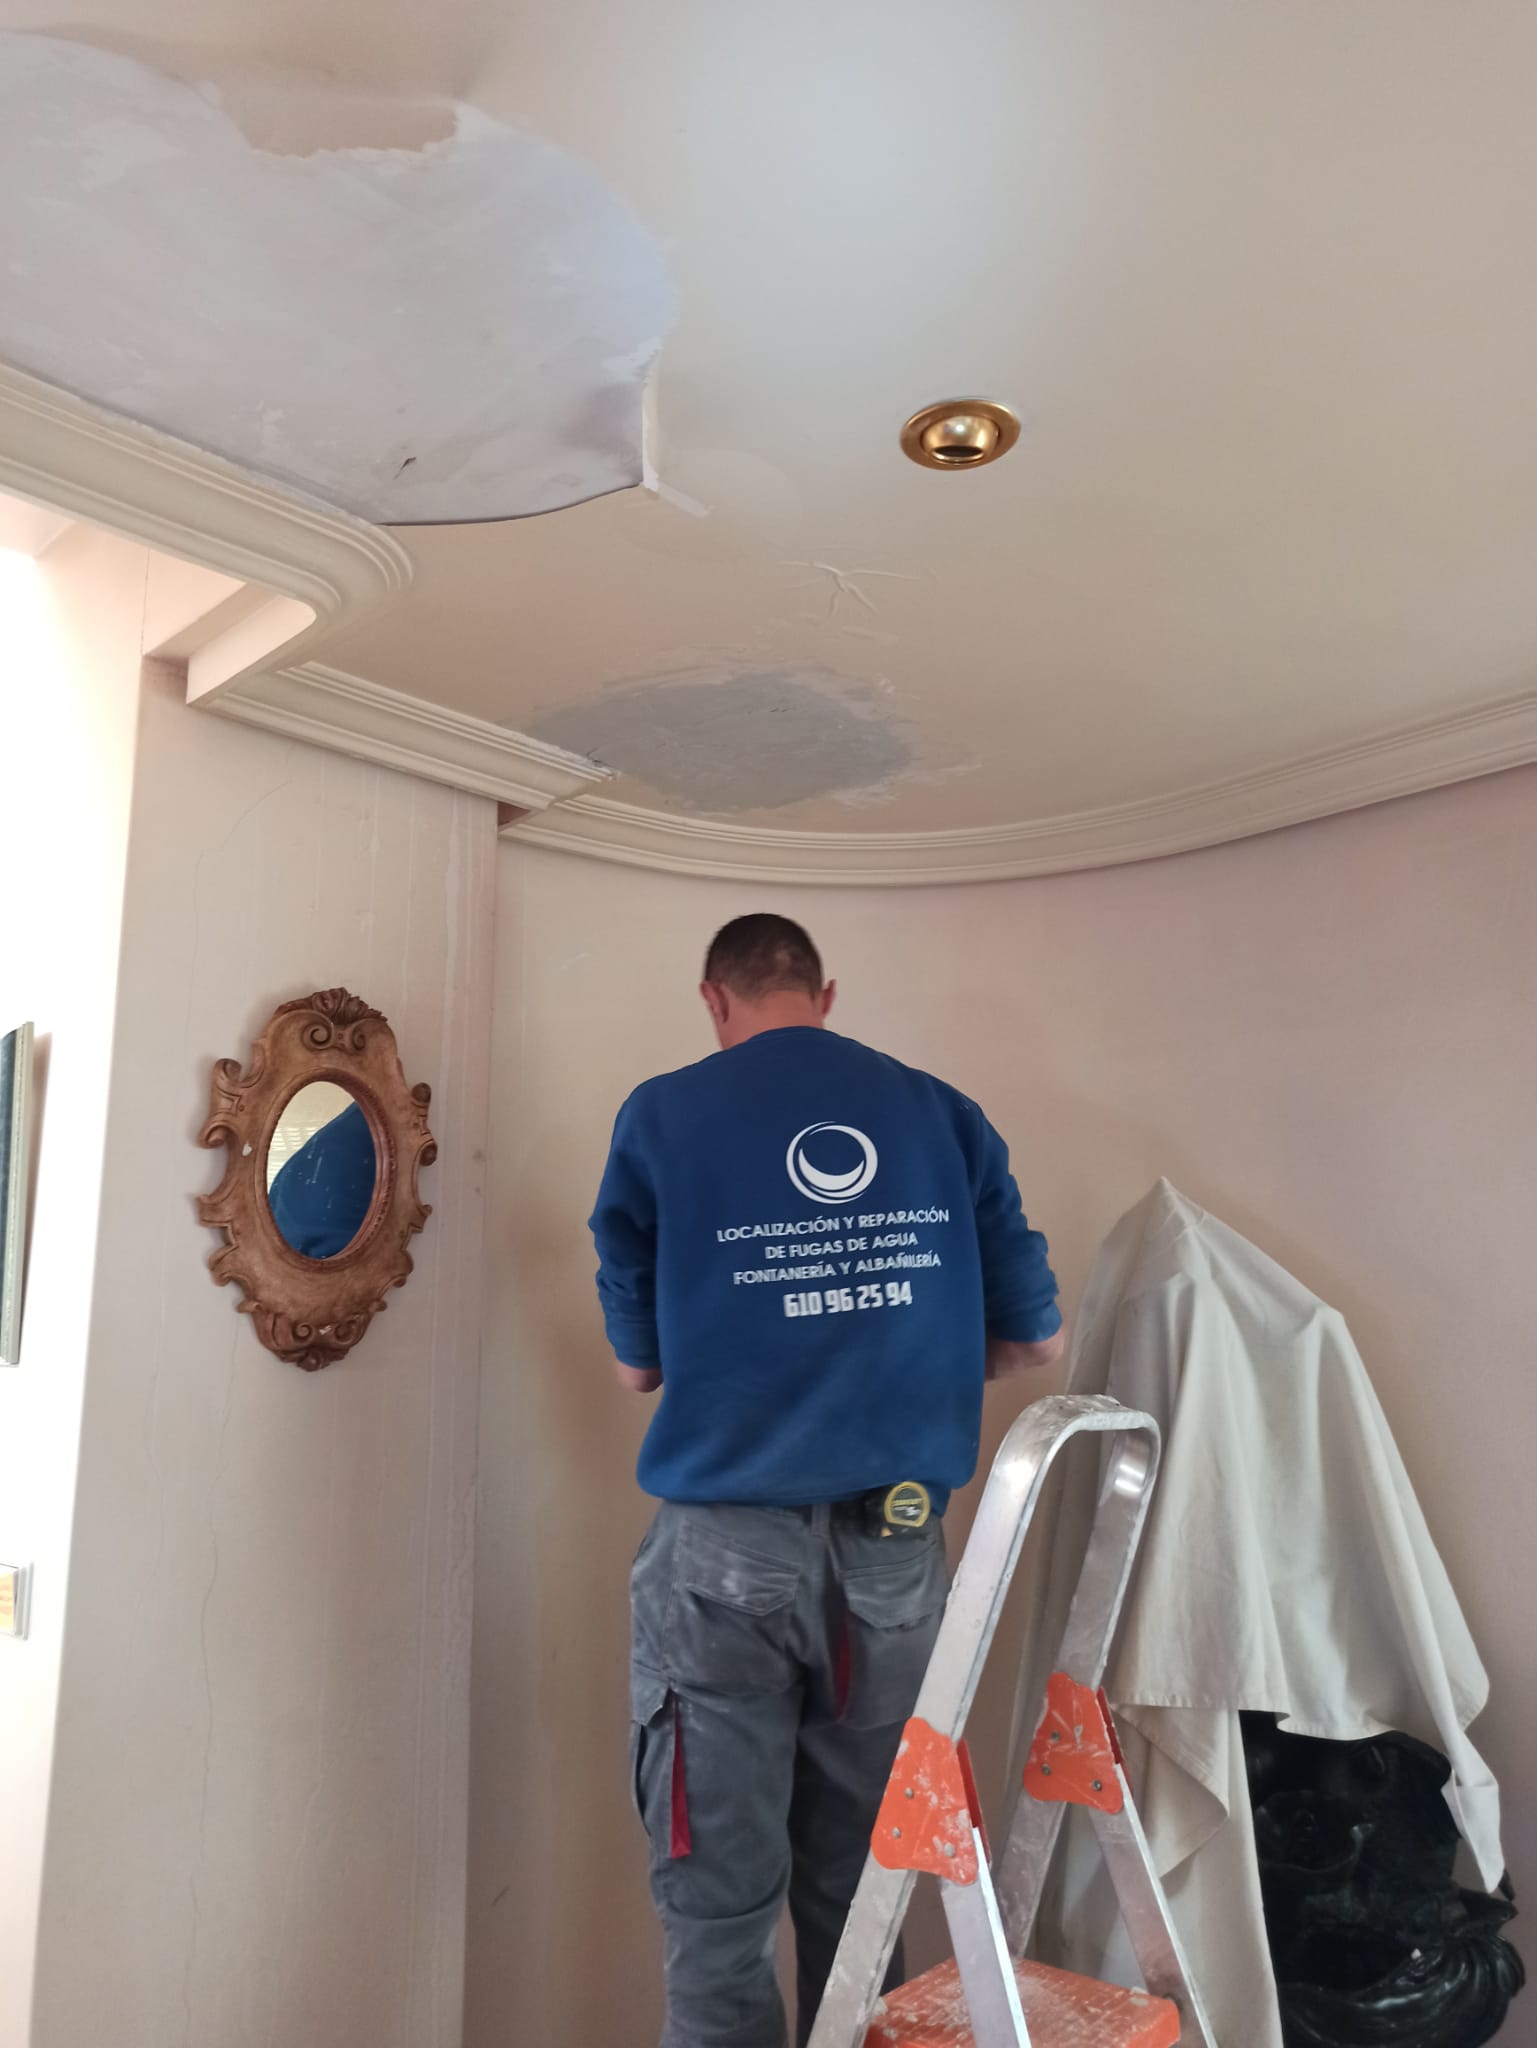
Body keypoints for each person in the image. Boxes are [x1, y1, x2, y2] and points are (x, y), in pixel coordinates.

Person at [589, 914, 1065, 2048]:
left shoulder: (661, 1115)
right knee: (863, 1903)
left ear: (715, 999)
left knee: (719, 1915)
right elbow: (1037, 1342)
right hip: (893, 1558)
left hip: (724, 1563)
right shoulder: (941, 1112)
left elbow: (636, 1369)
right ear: (824, 992)